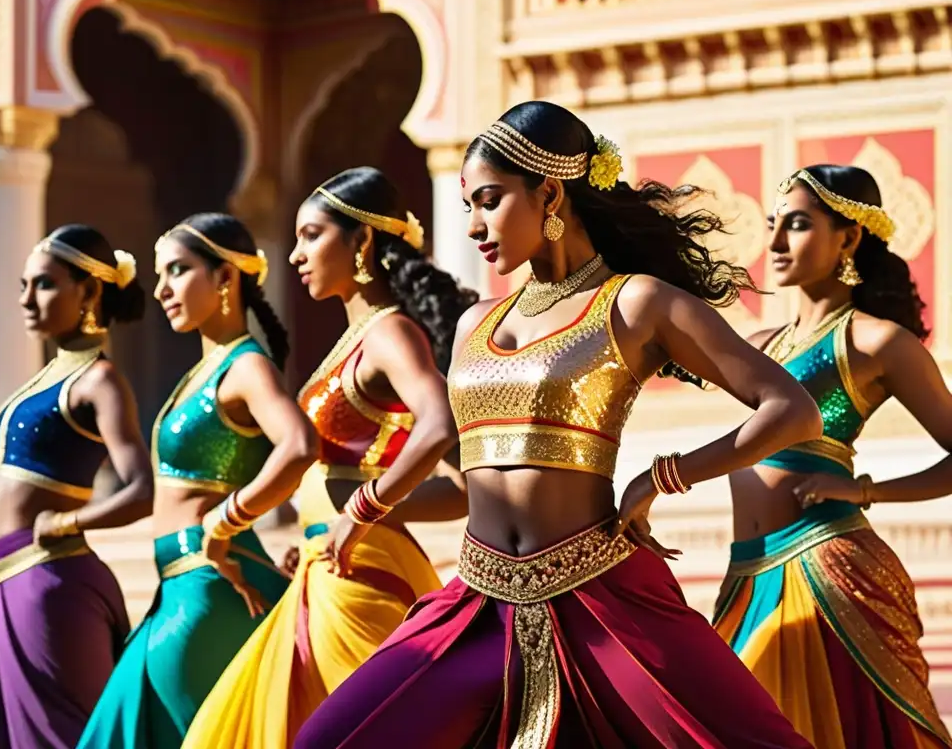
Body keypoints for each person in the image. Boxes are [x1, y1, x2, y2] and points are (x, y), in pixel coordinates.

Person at [293, 101, 823, 748]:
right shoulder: (472, 325)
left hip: (606, 597)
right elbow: (462, 475)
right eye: (468, 206)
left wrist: (663, 477)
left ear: (548, 191)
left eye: (489, 200)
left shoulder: (634, 303)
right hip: (476, 606)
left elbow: (792, 410)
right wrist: (367, 510)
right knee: (330, 740)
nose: (475, 226)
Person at [182, 167, 475, 749]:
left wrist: (362, 510)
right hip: (331, 566)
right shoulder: (357, 338)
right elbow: (458, 494)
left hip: (359, 579)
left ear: (361, 242)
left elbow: (439, 423)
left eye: (311, 235)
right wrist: (331, 529)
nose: (294, 255)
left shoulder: (390, 334)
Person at [710, 164, 952, 748]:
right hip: (746, 572)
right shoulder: (762, 346)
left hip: (826, 572)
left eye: (796, 225)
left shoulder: (876, 342)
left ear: (848, 238)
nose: (773, 244)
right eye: (773, 225)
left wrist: (867, 491)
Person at [77, 213, 320, 749]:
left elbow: (300, 446)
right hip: (179, 585)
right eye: (161, 274)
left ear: (225, 279)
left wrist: (227, 518)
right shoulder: (205, 370)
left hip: (210, 586)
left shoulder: (246, 367)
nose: (162, 289)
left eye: (179, 271)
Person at [0, 225, 152, 748]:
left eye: (45, 285)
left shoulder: (98, 381)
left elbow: (142, 489)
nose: (27, 300)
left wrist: (67, 521)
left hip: (50, 587)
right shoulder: (50, 374)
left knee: (59, 739)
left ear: (90, 293)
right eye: (24, 285)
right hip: (9, 588)